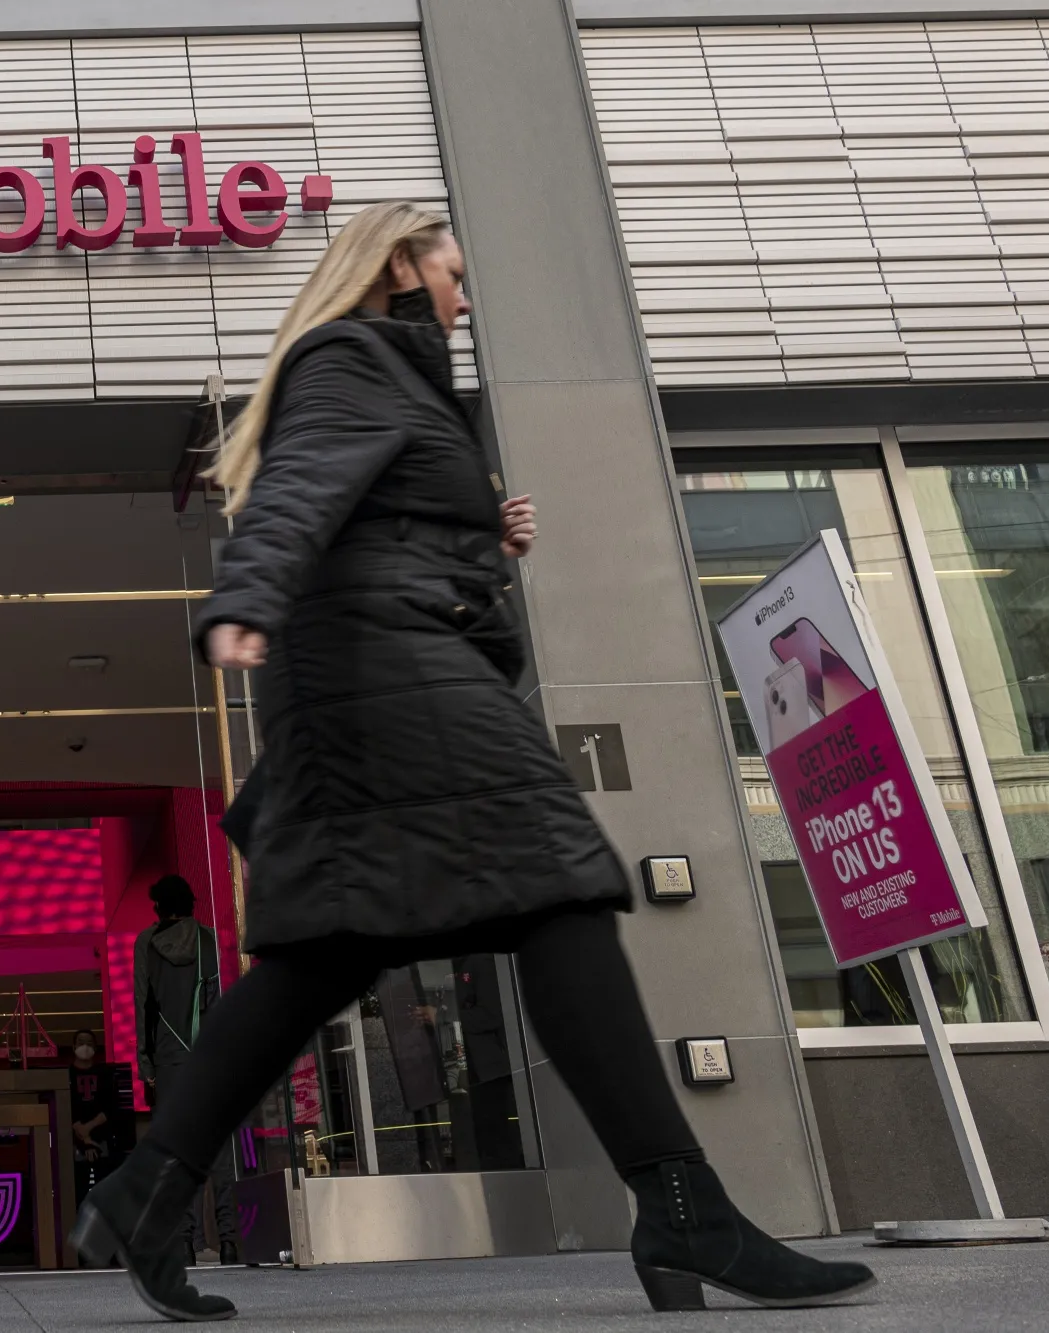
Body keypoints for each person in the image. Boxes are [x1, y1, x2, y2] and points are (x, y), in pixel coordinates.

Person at [70, 201, 876, 1322]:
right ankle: (683, 1203)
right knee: (559, 888)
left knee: (322, 952)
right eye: (452, 268)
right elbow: (299, 486)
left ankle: (146, 1193)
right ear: (399, 263)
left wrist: (478, 539)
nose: (464, 291)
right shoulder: (352, 354)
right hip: (397, 682)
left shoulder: (397, 377)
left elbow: (364, 511)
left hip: (371, 682)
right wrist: (240, 600)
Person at [132, 874, 239, 1264]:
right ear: (191, 903)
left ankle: (184, 1243)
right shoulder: (209, 940)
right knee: (220, 1152)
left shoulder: (146, 943)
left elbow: (144, 1005)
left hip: (170, 1057)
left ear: (159, 907)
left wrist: (147, 1066)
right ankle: (229, 1239)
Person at [68, 1029, 120, 1206]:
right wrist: (85, 1139)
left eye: (89, 1043)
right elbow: (68, 1108)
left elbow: (110, 1108)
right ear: (73, 1046)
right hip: (74, 1146)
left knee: (105, 1198)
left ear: (96, 1048)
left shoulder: (104, 1073)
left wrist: (90, 1131)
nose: (85, 1046)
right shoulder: (67, 1075)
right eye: (81, 1042)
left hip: (103, 1143)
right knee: (78, 1196)